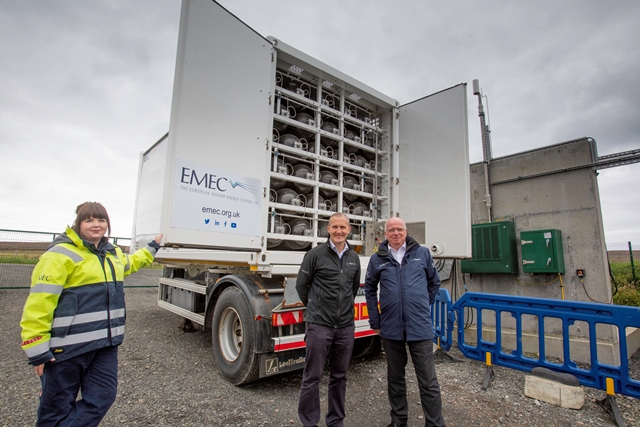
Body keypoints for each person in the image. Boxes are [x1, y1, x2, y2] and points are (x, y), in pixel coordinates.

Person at [20, 202, 162, 427]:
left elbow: (132, 262)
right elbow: (39, 303)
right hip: (66, 348)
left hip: (104, 345)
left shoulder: (112, 254)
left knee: (102, 398)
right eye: (89, 220)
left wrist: (153, 246)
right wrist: (36, 348)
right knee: (55, 409)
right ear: (78, 223)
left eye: (101, 220)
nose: (96, 225)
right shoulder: (58, 255)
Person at [364, 217, 445, 427]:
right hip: (390, 328)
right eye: (391, 230)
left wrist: (420, 304)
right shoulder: (377, 259)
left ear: (406, 231)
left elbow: (434, 282)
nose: (396, 233)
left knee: (428, 380)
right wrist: (375, 320)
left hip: (420, 327)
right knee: (395, 379)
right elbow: (370, 290)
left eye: (399, 229)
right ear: (385, 234)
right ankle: (399, 421)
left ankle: (435, 423)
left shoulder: (423, 254)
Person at [295, 212, 361, 427]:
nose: (339, 231)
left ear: (349, 230)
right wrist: (316, 307)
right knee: (312, 376)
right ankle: (309, 422)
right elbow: (301, 286)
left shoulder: (353, 258)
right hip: (319, 325)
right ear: (328, 229)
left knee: (340, 376)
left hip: (344, 327)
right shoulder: (315, 254)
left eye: (343, 227)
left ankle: (335, 421)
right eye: (335, 227)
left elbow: (352, 288)